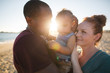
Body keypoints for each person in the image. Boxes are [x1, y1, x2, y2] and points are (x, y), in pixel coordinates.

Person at [13, 0, 59, 73]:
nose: (50, 23)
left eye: (50, 19)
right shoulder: (27, 41)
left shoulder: (37, 36)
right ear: (29, 21)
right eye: (45, 20)